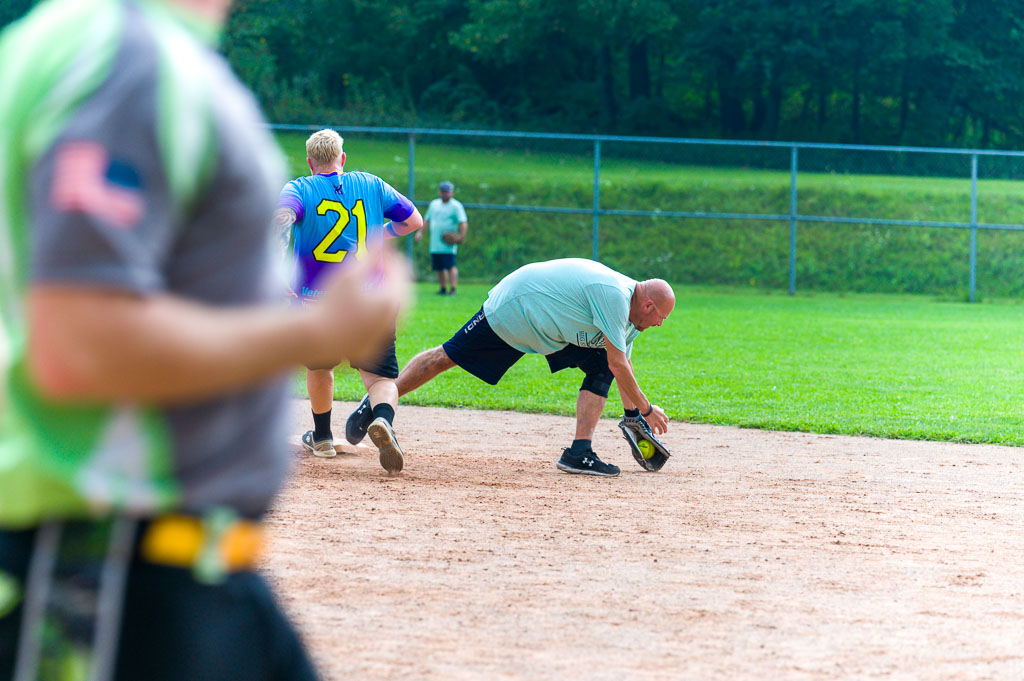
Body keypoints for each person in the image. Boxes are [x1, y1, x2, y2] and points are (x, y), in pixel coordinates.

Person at [0, 1, 409, 679]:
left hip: (176, 562)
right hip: (108, 569)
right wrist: (318, 329)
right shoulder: (127, 62)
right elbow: (81, 341)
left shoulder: (127, 51)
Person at [348, 258, 674, 477]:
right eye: (661, 316)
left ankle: (579, 452)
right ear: (648, 304)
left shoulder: (632, 318)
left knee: (603, 366)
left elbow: (621, 366)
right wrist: (646, 410)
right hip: (517, 308)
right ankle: (379, 402)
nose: (660, 324)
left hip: (552, 328)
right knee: (446, 357)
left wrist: (633, 417)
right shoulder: (615, 297)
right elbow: (621, 362)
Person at [274, 129, 423, 473]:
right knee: (380, 377)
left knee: (320, 367)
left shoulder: (298, 188)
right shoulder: (371, 184)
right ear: (343, 158)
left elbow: (281, 219)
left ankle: (323, 438)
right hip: (370, 299)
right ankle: (383, 420)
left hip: (316, 303)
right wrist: (379, 233)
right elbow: (412, 221)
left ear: (310, 162)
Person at [416, 180, 468, 295]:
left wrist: (461, 236)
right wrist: (420, 232)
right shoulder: (434, 204)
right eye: (443, 191)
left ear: (452, 192)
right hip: (435, 242)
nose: (445, 194)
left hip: (447, 242)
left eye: (448, 192)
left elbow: (463, 222)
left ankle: (453, 289)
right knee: (439, 266)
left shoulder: (456, 206)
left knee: (450, 265)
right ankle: (443, 288)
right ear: (440, 192)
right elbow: (427, 219)